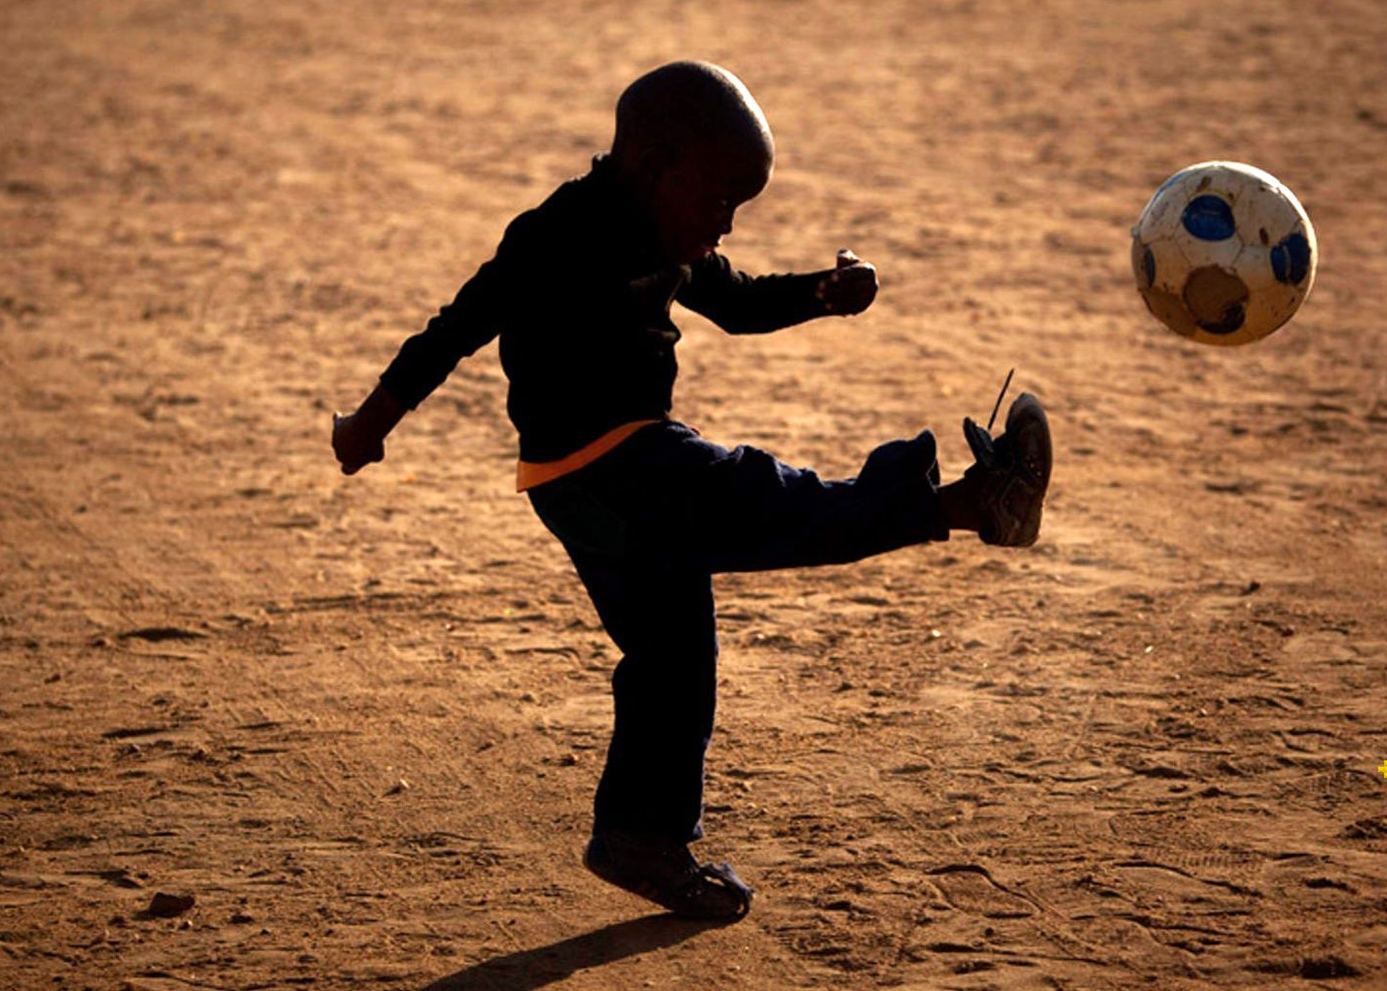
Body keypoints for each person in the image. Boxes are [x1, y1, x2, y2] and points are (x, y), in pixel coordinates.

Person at [332, 61, 1051, 922]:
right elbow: (452, 330)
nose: (725, 227)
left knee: (675, 663)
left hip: (589, 482)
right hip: (613, 463)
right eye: (720, 203)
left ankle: (640, 840)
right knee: (777, 501)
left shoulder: (671, 234)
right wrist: (367, 425)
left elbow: (741, 304)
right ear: (652, 166)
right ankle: (968, 502)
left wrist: (826, 292)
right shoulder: (556, 234)